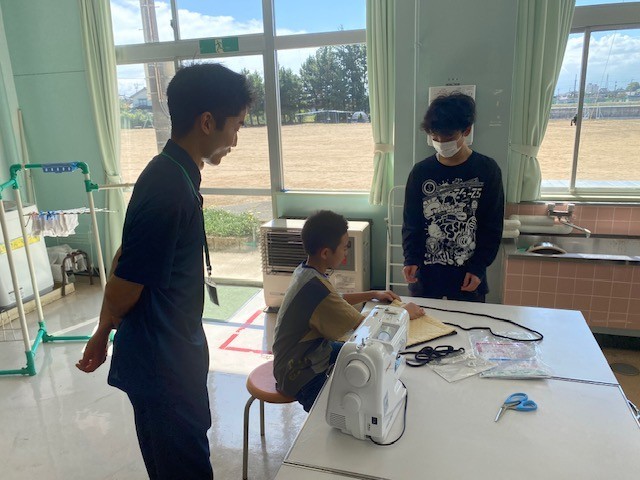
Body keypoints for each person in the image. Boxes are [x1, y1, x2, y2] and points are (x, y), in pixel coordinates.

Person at [76, 63, 253, 479]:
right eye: (236, 126)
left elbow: (125, 255)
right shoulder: (168, 188)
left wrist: (103, 329)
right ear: (206, 122)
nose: (236, 139)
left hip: (173, 355)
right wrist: (103, 331)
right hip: (163, 368)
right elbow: (124, 284)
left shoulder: (174, 173)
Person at [272, 210, 424, 412]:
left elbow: (336, 298)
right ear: (326, 253)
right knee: (342, 409)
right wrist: (404, 312)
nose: (346, 252)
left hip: (306, 355)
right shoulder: (316, 289)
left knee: (360, 356)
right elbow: (365, 327)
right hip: (299, 373)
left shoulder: (306, 272)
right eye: (345, 247)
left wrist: (373, 294)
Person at [402, 93, 504, 303]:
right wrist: (410, 258)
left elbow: (492, 226)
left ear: (466, 130)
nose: (441, 143)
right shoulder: (420, 172)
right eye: (435, 137)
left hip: (468, 277)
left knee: (469, 323)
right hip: (426, 276)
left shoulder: (487, 170)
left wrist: (478, 267)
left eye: (448, 138)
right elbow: (411, 222)